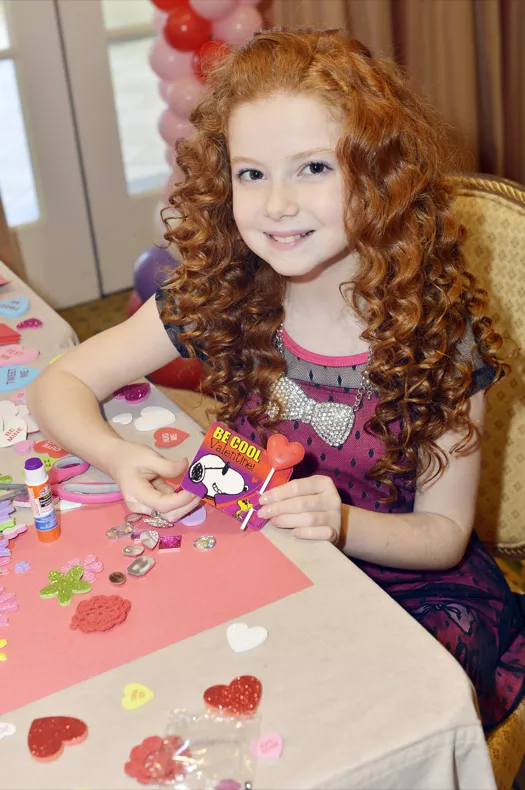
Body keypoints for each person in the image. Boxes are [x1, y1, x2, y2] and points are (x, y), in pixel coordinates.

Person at [28, 27, 524, 729]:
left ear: (379, 177)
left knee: (340, 717)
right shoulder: (223, 293)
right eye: (251, 173)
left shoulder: (434, 334)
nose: (277, 204)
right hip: (258, 552)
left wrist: (342, 522)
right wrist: (117, 455)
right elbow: (60, 383)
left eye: (313, 168)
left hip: (402, 583)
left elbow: (442, 532)